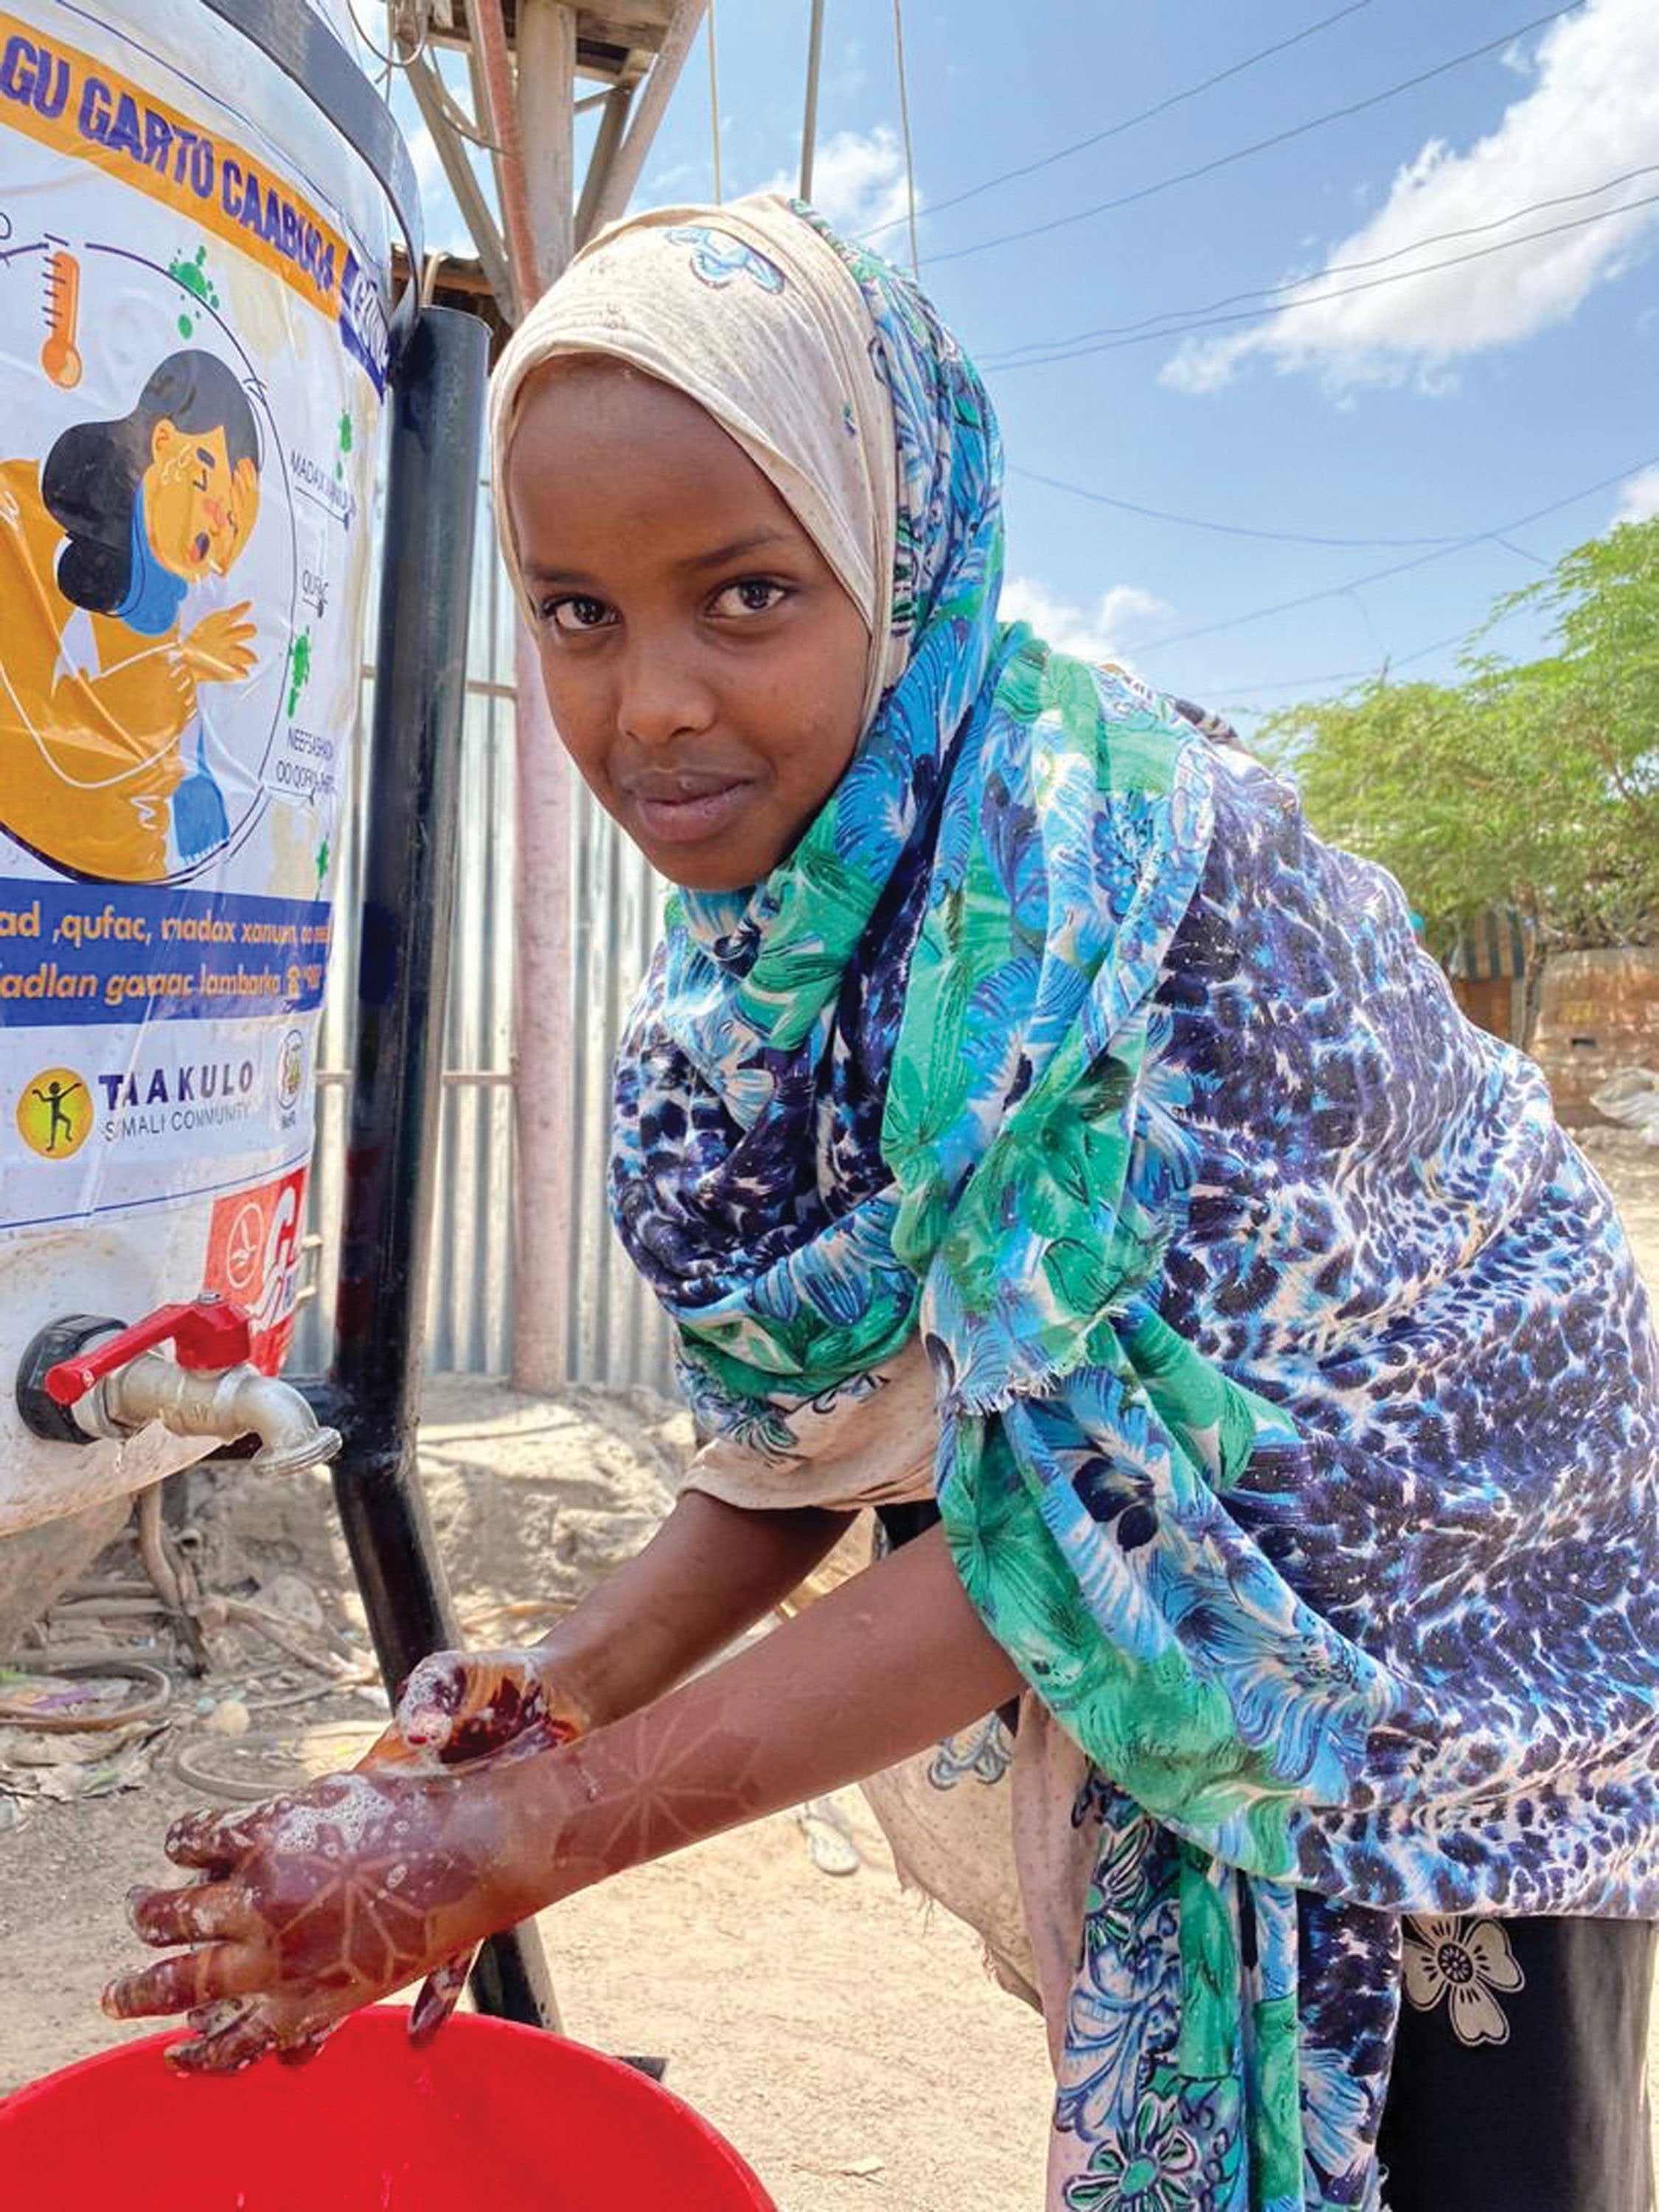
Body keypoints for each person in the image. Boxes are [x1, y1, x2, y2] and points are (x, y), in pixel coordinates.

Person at [107, 198, 1656, 2211]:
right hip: (1160, 1665)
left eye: (743, 595)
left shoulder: (1129, 901)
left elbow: (1071, 1552)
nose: (648, 701)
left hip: (1430, 1689)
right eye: (576, 612)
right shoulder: (776, 962)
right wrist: (537, 1707)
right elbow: (816, 1446)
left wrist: (517, 1849)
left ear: (901, 556)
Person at [0, 349, 260, 881]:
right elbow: (55, 725)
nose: (214, 519)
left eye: (233, 520)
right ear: (162, 442)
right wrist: (178, 663)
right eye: (207, 481)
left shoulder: (176, 602)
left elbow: (181, 809)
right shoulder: (29, 521)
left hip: (119, 894)